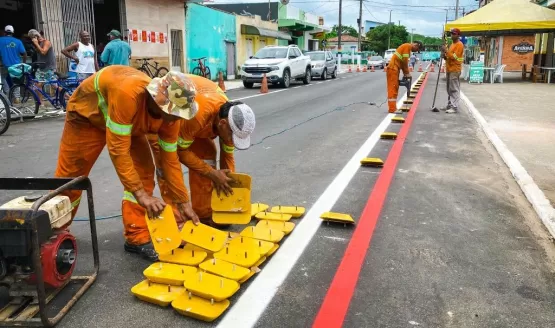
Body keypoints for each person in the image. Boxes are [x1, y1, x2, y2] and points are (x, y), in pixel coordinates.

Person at [55, 66, 200, 261]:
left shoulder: (171, 118)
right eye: (174, 113)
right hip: (87, 118)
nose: (176, 119)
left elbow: (170, 160)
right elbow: (119, 150)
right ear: (160, 102)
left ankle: (136, 236)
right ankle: (54, 233)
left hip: (129, 124)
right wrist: (140, 194)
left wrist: (184, 203)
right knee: (71, 179)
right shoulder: (128, 94)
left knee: (144, 173)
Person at [150, 74, 255, 227]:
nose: (232, 142)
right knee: (166, 168)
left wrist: (226, 184)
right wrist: (212, 174)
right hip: (166, 119)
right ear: (223, 124)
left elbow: (228, 156)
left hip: (194, 124)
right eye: (232, 137)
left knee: (207, 156)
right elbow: (178, 151)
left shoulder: (228, 119)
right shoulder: (199, 115)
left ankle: (204, 214)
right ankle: (177, 221)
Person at [386, 41, 423, 114]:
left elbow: (403, 62)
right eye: (417, 49)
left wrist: (406, 73)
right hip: (393, 68)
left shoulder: (407, 48)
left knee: (395, 87)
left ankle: (393, 107)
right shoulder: (407, 46)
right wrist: (406, 73)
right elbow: (405, 61)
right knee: (393, 88)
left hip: (395, 69)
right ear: (416, 45)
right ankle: (392, 109)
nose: (416, 51)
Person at [438, 28, 464, 114]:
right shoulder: (452, 44)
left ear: (458, 35)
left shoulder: (459, 45)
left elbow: (454, 57)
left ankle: (454, 107)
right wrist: (445, 56)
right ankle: (450, 104)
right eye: (452, 33)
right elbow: (449, 57)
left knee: (454, 89)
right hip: (449, 69)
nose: (452, 35)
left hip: (455, 69)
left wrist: (446, 51)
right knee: (449, 89)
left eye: (454, 34)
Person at [0, 25, 26, 93]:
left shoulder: (0, 40)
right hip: (16, 65)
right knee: (16, 80)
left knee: (2, 78)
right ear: (13, 32)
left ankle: (7, 93)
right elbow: (24, 53)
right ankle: (16, 97)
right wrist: (23, 63)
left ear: (5, 32)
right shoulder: (18, 41)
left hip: (4, 65)